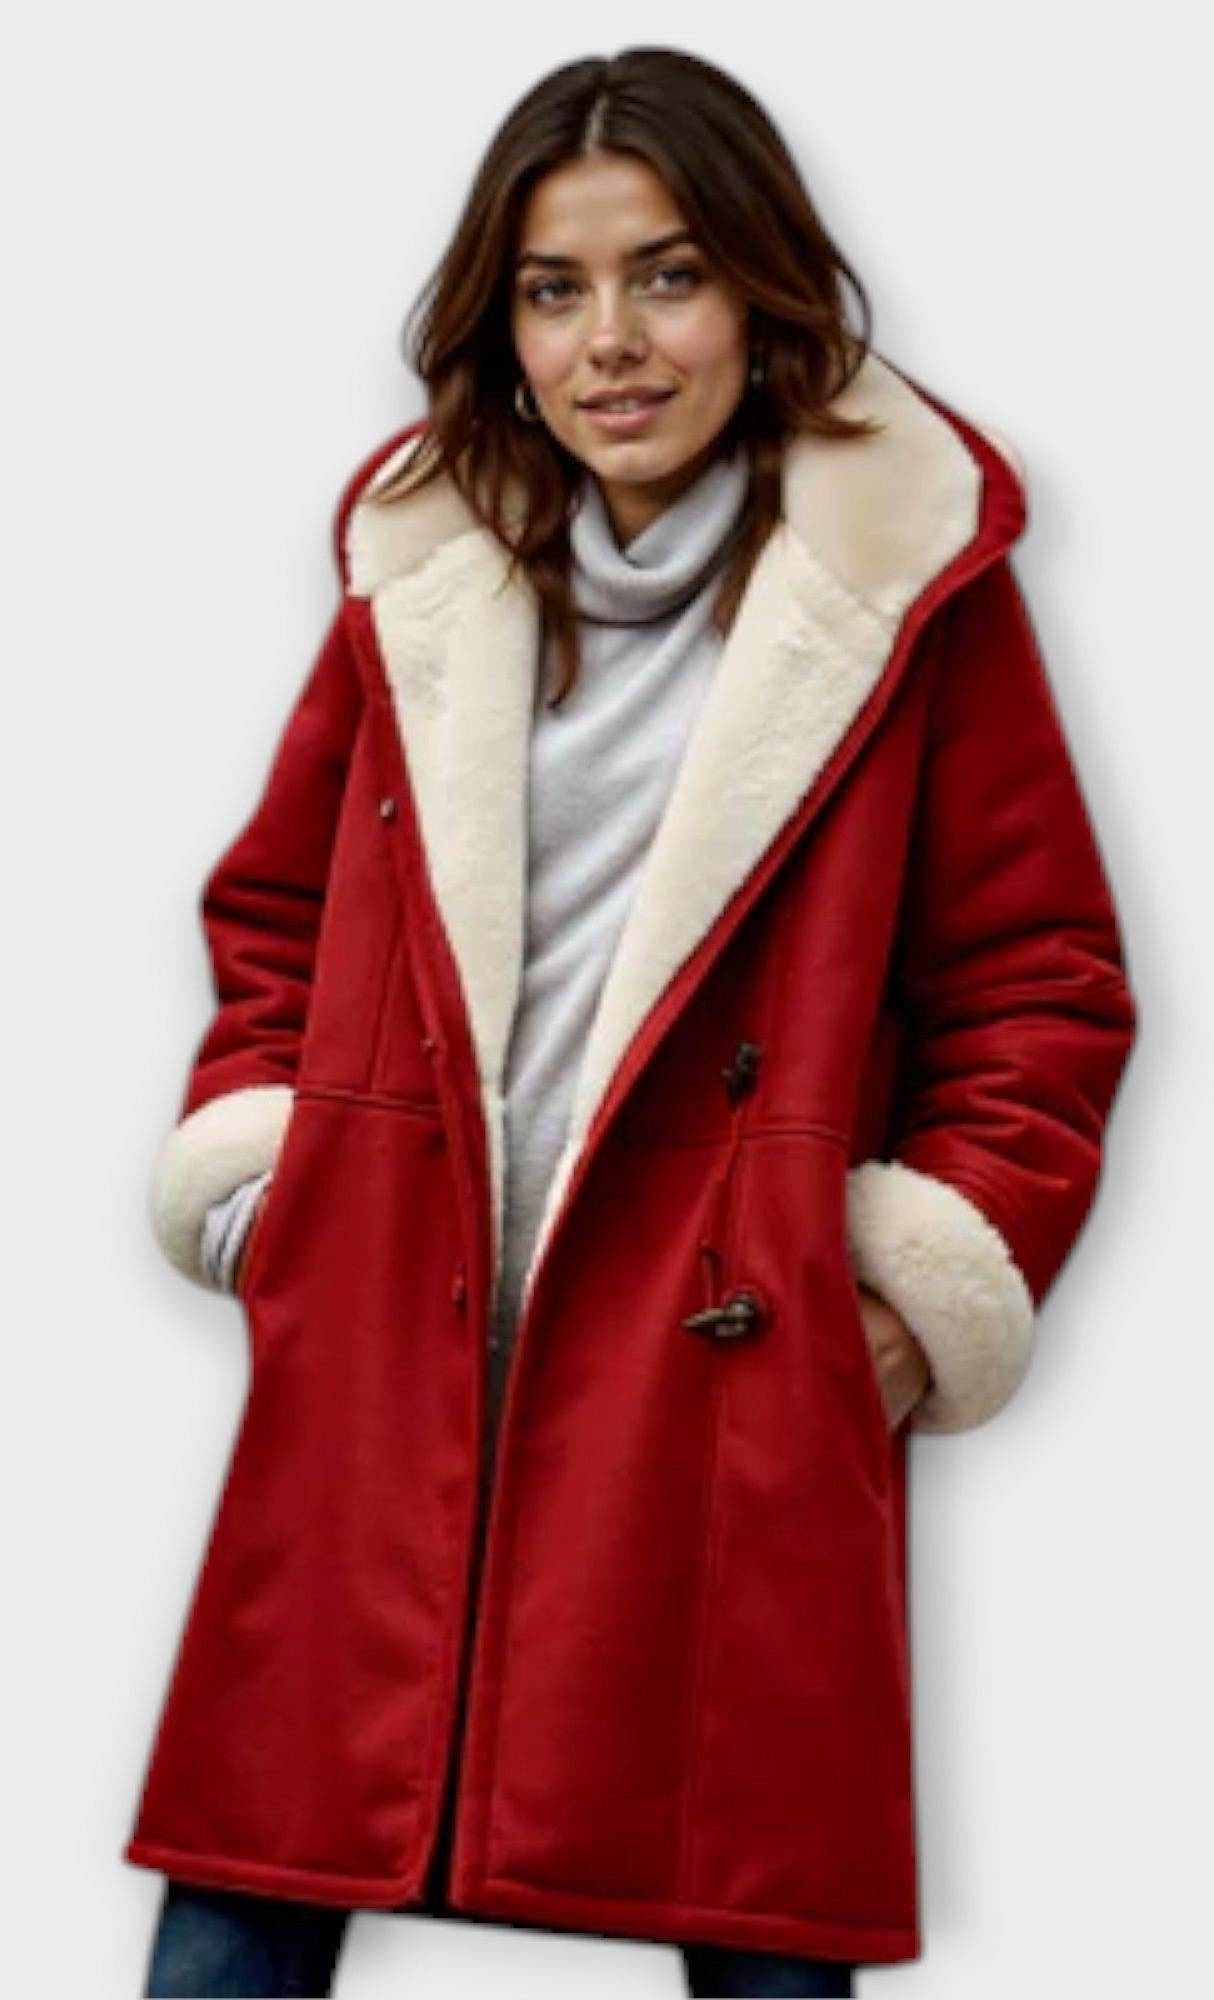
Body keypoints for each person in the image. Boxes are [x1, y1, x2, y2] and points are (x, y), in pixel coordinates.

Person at [129, 45, 1137, 1999]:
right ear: (502, 330)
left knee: (750, 1913)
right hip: (388, 1333)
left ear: (759, 296)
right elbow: (274, 916)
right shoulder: (421, 582)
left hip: (719, 1351)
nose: (611, 338)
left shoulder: (896, 596)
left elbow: (1039, 983)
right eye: (554, 287)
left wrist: (900, 1299)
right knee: (247, 1901)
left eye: (667, 274)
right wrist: (271, 1194)